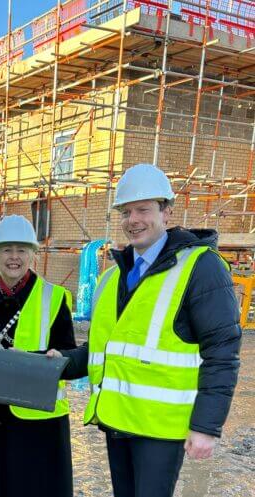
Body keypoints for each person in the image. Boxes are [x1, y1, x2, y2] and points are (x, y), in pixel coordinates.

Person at [64, 163, 242, 497]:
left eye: (143, 209)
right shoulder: (112, 278)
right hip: (118, 421)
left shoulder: (200, 267)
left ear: (166, 211)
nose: (133, 220)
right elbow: (101, 351)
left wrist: (206, 426)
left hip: (161, 430)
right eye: (126, 212)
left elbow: (222, 351)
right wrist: (57, 361)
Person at [0, 214, 77, 497]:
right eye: (6, 250)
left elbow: (70, 356)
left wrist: (35, 359)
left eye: (21, 250)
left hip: (35, 426)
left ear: (33, 255)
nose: (14, 257)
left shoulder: (55, 298)